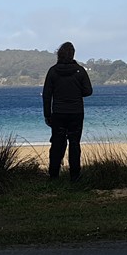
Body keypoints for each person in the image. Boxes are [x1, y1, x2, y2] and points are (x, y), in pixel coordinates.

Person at [42, 41, 93, 181]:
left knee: (57, 143)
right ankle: (75, 176)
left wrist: (47, 115)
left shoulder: (53, 71)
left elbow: (47, 95)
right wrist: (76, 93)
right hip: (76, 112)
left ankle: (53, 175)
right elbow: (88, 91)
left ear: (59, 54)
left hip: (58, 112)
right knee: (74, 143)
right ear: (73, 54)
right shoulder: (80, 71)